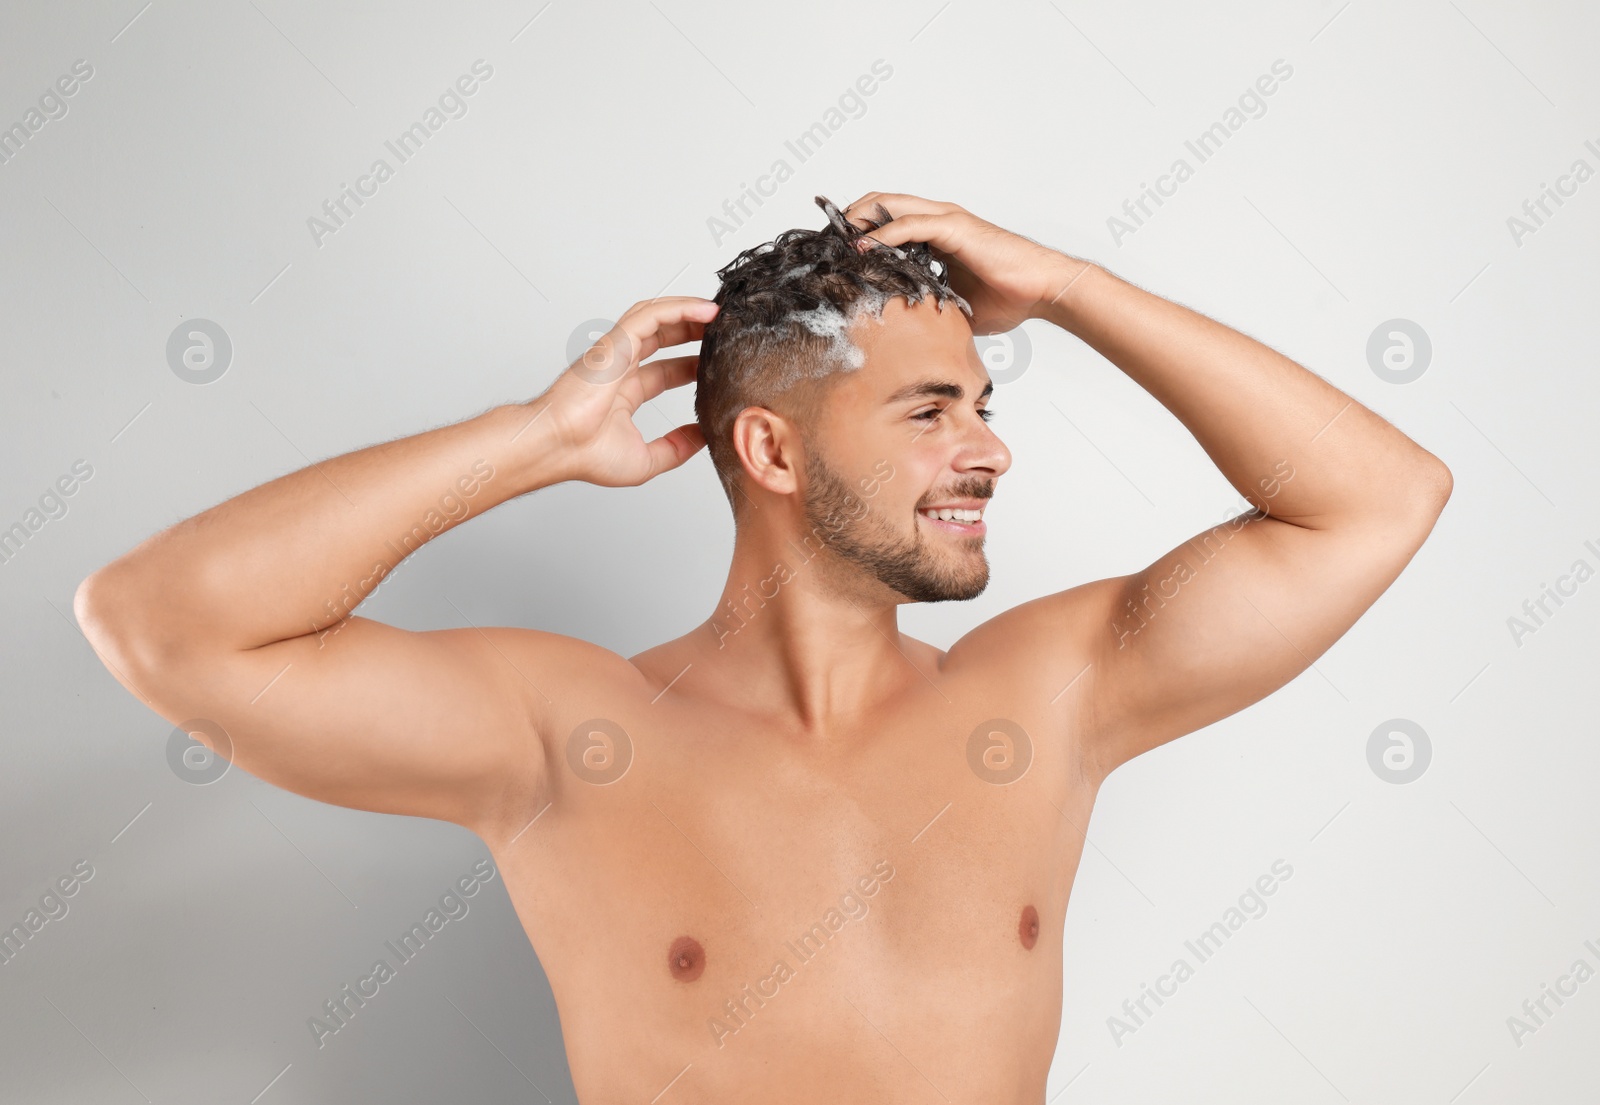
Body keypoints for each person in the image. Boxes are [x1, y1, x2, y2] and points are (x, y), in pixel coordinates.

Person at [75, 191, 1452, 1103]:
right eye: (930, 412)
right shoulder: (569, 734)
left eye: (982, 402)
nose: (991, 446)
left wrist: (1077, 287)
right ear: (772, 448)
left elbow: (1381, 496)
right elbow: (160, 619)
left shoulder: (1052, 694)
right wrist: (533, 438)